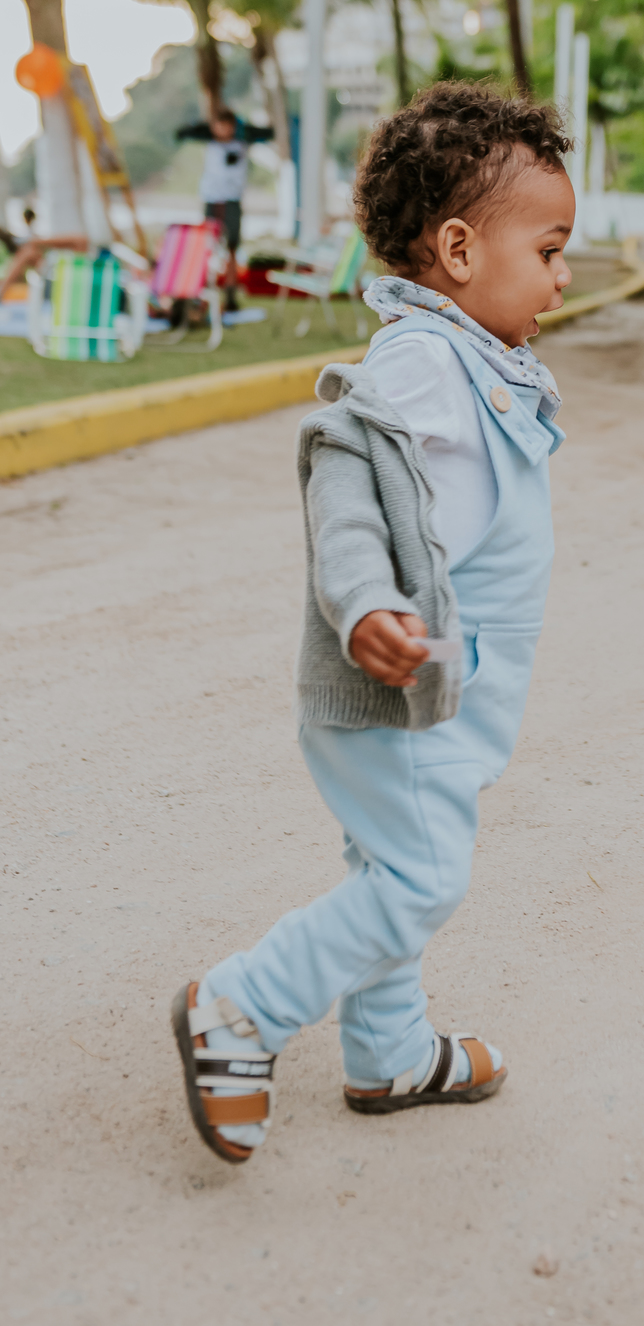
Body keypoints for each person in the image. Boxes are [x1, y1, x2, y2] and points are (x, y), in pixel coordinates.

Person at [171, 82, 575, 1165]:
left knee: (389, 872)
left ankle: (389, 1049)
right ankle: (242, 1004)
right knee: (420, 878)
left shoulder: (470, 357)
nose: (562, 273)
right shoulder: (420, 363)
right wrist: (366, 604)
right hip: (397, 691)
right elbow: (344, 478)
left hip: (446, 692)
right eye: (549, 248)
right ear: (456, 249)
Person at [175, 106, 274, 306]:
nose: (222, 130)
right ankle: (202, 292)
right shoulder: (209, 142)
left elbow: (268, 133)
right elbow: (183, 132)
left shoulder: (241, 142)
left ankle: (230, 293)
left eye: (226, 125)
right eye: (218, 126)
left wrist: (241, 128)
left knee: (231, 248)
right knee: (206, 247)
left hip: (231, 200)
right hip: (212, 199)